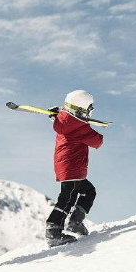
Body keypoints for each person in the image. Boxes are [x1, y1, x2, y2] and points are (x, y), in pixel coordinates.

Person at [45, 90, 104, 247]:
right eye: (88, 110)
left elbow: (64, 122)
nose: (90, 113)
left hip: (67, 167)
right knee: (67, 198)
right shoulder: (80, 127)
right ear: (80, 109)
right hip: (72, 168)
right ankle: (53, 231)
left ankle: (75, 222)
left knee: (88, 191)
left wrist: (56, 115)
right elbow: (98, 141)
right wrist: (87, 124)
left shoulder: (65, 122)